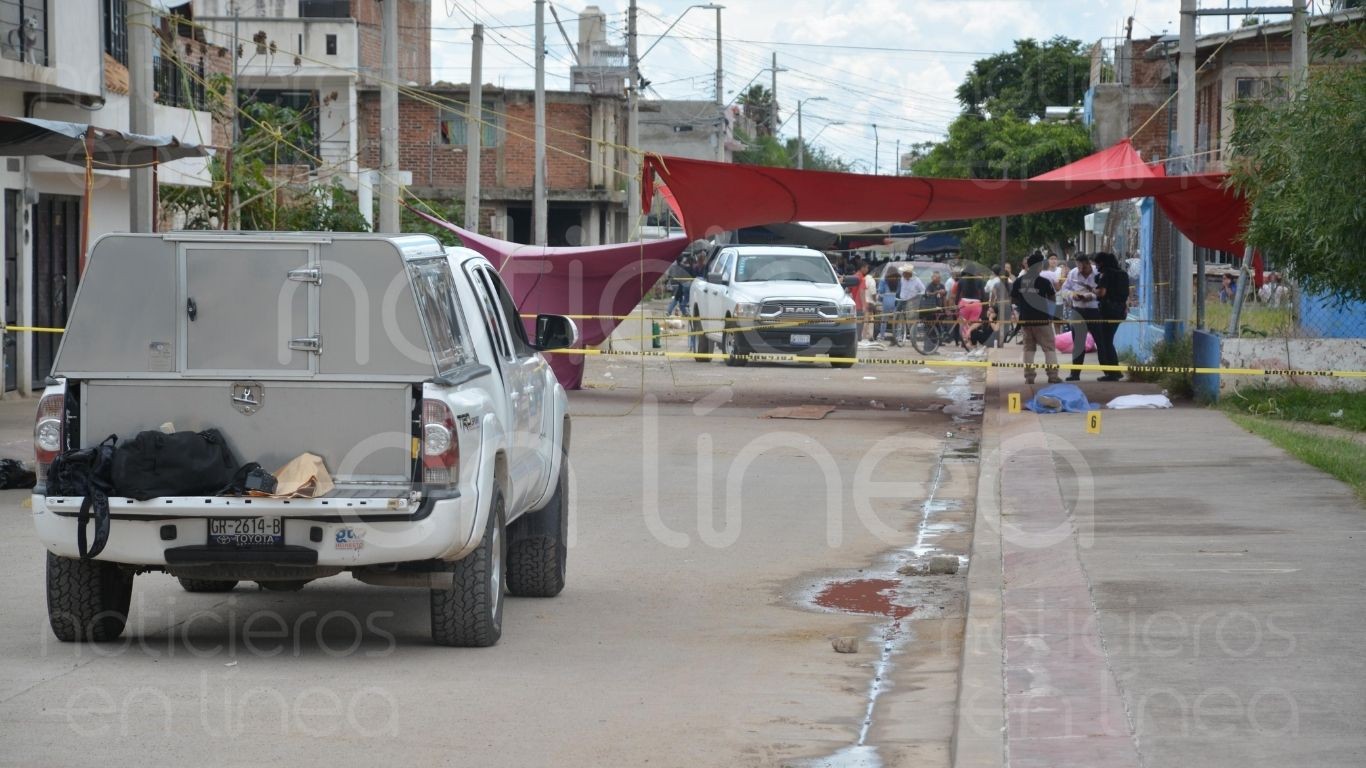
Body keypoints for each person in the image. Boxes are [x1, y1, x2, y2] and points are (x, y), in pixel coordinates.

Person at [1011, 253, 1061, 385]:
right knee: (1049, 349)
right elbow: (1052, 299)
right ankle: (1053, 376)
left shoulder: (1019, 281)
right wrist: (1050, 314)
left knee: (1028, 349)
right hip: (1042, 320)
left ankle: (1029, 377)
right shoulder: (1044, 282)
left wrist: (1024, 305)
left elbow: (1013, 299)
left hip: (1026, 320)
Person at [1060, 255, 1100, 381]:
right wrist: (1072, 295)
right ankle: (1075, 373)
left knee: (1101, 341)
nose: (1081, 271)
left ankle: (1110, 372)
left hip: (1095, 310)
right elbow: (1064, 289)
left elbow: (1103, 292)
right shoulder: (1073, 273)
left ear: (1088, 264)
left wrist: (1091, 296)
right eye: (1078, 267)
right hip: (1078, 310)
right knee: (1078, 343)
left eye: (1083, 268)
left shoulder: (1098, 272)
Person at [1092, 251, 1129, 381]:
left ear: (1102, 263)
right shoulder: (1123, 274)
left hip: (1108, 311)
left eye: (1097, 263)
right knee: (1108, 340)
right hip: (1120, 310)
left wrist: (1092, 289)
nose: (1096, 266)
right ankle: (1114, 371)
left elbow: (1101, 292)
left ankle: (1113, 372)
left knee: (1105, 342)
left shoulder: (1106, 274)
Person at [956, 269, 985, 351]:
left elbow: (958, 295)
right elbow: (983, 294)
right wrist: (981, 303)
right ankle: (971, 338)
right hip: (976, 304)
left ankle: (966, 340)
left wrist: (956, 304)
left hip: (964, 303)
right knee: (976, 322)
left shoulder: (961, 281)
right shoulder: (979, 280)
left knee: (963, 322)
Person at [895, 268, 926, 346]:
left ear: (909, 274)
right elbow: (900, 290)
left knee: (911, 321)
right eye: (903, 273)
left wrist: (917, 296)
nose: (903, 275)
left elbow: (923, 290)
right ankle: (898, 336)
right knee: (897, 317)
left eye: (905, 273)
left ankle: (913, 339)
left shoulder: (916, 280)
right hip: (902, 300)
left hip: (912, 302)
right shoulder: (902, 279)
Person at [877, 268, 901, 340]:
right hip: (896, 301)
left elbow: (880, 291)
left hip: (886, 300)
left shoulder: (884, 280)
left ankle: (882, 335)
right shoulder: (899, 280)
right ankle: (898, 336)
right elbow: (900, 291)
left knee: (884, 319)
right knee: (897, 319)